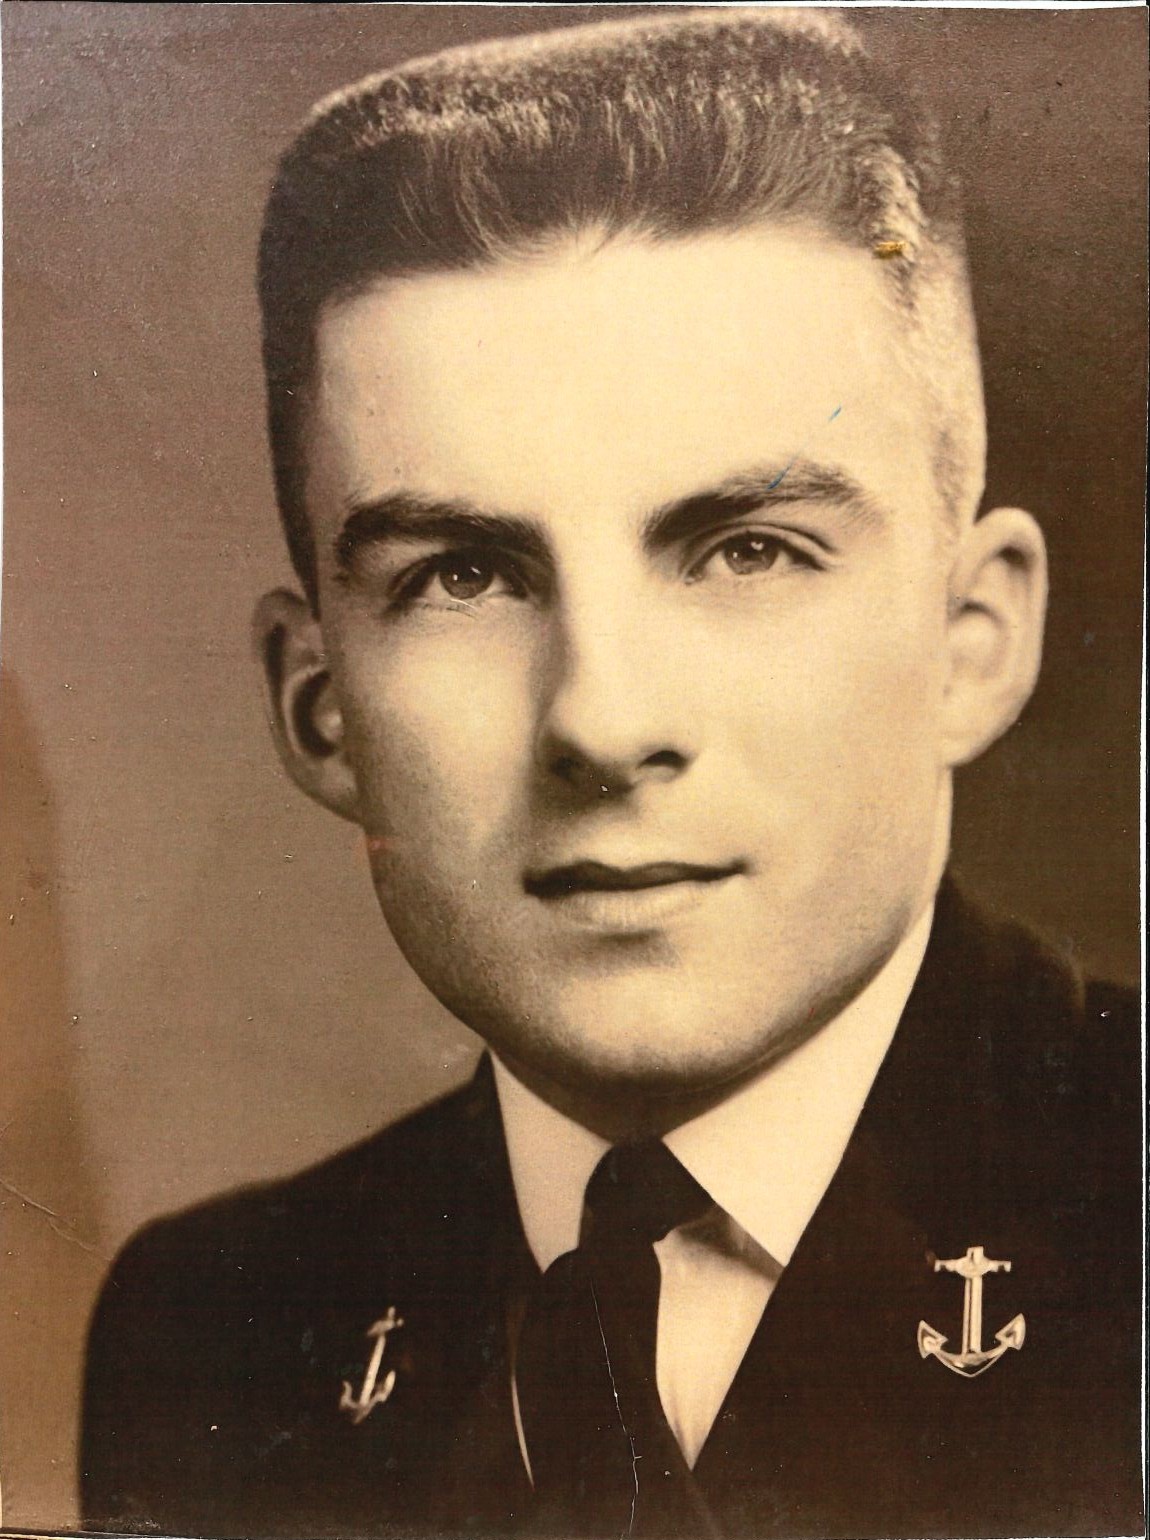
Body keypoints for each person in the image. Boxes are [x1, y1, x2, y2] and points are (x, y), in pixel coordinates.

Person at [79, 10, 1142, 1538]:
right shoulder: (216, 1324)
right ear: (317, 709)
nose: (601, 719)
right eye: (461, 575)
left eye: (747, 550)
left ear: (972, 641)